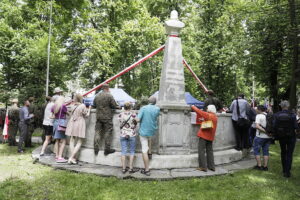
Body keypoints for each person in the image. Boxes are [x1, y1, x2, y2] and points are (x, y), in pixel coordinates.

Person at [273, 100, 298, 178]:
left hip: (281, 137)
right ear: (288, 106)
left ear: (281, 106)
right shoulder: (292, 115)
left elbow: (274, 126)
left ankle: (284, 170)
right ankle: (288, 171)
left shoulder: (277, 115)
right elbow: (296, 127)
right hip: (291, 137)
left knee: (283, 152)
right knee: (289, 153)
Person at [136, 96, 160, 176]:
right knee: (149, 140)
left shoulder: (144, 108)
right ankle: (150, 153)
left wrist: (135, 118)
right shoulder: (157, 109)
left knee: (144, 150)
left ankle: (147, 170)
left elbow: (138, 119)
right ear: (155, 102)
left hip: (144, 131)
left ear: (148, 101)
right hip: (152, 130)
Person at [93, 84, 119, 156]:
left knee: (97, 132)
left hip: (98, 117)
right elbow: (114, 105)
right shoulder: (109, 95)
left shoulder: (97, 96)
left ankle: (96, 148)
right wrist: (118, 106)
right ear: (107, 88)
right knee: (108, 132)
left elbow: (94, 105)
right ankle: (107, 149)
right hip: (107, 117)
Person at [66, 94, 91, 164]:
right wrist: (89, 109)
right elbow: (86, 115)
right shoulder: (83, 105)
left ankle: (73, 158)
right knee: (80, 141)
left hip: (72, 122)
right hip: (80, 122)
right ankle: (71, 158)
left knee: (72, 140)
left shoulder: (72, 105)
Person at [191, 105, 218, 172]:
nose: (206, 109)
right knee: (210, 151)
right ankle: (211, 166)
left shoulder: (208, 115)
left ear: (210, 109)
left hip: (204, 135)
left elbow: (198, 111)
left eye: (207, 108)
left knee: (201, 151)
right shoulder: (215, 117)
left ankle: (203, 167)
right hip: (211, 136)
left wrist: (193, 106)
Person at [118, 102, 139, 174]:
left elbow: (120, 122)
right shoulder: (133, 114)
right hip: (131, 134)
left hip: (123, 134)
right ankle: (130, 168)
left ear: (124, 107)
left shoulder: (121, 114)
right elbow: (137, 120)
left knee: (123, 151)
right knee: (132, 151)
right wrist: (133, 112)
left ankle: (123, 169)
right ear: (130, 107)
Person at [253, 105, 271, 171]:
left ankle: (259, 166)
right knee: (266, 151)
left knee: (256, 150)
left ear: (259, 110)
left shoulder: (258, 116)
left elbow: (257, 126)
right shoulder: (268, 115)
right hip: (268, 137)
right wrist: (268, 133)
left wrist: (266, 132)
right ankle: (265, 166)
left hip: (260, 137)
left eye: (256, 109)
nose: (256, 110)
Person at [51, 96, 68, 163]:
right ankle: (60, 157)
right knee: (63, 140)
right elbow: (66, 113)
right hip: (61, 123)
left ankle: (57, 155)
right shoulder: (63, 106)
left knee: (57, 140)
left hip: (55, 123)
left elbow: (53, 115)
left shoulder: (54, 106)